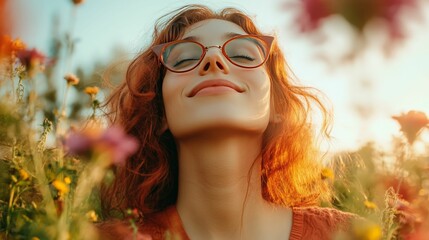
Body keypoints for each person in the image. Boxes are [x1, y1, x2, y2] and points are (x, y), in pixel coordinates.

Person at [99, 4, 355, 240]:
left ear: (277, 105)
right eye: (184, 59)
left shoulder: (359, 233)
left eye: (243, 55)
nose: (214, 60)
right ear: (160, 112)